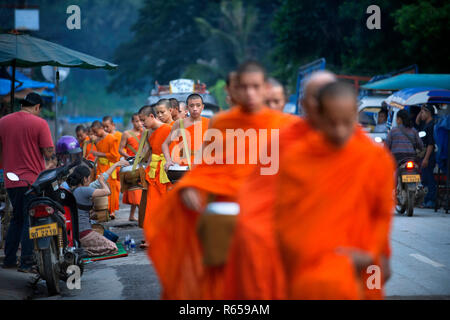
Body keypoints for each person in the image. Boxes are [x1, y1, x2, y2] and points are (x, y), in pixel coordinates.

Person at [143, 61, 296, 299]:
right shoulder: (222, 123)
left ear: (265, 88)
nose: (250, 93)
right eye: (243, 87)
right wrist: (191, 186)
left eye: (256, 87)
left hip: (269, 209)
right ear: (234, 91)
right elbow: (208, 165)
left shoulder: (286, 125)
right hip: (229, 208)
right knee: (228, 277)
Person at [223, 70, 338, 299]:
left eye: (277, 101)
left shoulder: (300, 131)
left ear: (285, 102)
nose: (273, 106)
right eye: (268, 101)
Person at [0, 92, 55, 272]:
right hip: (32, 181)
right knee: (29, 220)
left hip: (10, 180)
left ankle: (9, 259)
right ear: (38, 107)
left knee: (17, 218)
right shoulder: (40, 123)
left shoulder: (3, 122)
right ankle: (26, 262)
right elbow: (48, 152)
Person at [138, 105, 172, 248]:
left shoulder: (168, 129)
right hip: (153, 173)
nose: (142, 124)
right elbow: (151, 154)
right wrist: (145, 171)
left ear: (151, 117)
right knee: (151, 206)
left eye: (143, 120)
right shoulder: (150, 132)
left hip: (166, 171)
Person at [67, 165, 118, 256]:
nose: (90, 180)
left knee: (112, 237)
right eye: (89, 177)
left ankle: (83, 249)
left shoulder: (75, 190)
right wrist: (102, 181)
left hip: (78, 233)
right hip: (85, 233)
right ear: (85, 179)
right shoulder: (83, 190)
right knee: (113, 247)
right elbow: (107, 192)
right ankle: (84, 251)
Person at [162, 94, 210, 169]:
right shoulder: (179, 124)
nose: (195, 109)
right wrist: (168, 160)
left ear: (202, 107)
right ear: (187, 108)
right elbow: (165, 144)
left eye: (198, 105)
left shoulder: (210, 123)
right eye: (191, 106)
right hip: (184, 164)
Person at [90, 120, 121, 218]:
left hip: (109, 167)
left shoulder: (112, 138)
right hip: (100, 167)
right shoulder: (98, 140)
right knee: (99, 187)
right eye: (93, 132)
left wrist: (99, 154)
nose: (95, 134)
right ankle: (103, 211)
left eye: (96, 132)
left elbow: (115, 156)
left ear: (101, 128)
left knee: (110, 189)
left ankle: (112, 211)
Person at [118, 113, 144, 221]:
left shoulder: (145, 132)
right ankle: (142, 215)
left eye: (140, 121)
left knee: (140, 189)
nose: (139, 123)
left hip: (142, 163)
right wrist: (129, 157)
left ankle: (132, 216)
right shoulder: (127, 134)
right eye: (137, 121)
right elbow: (120, 149)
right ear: (132, 122)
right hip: (131, 164)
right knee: (135, 190)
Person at [415, 104, 437, 208]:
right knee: (425, 178)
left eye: (423, 112)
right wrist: (421, 110)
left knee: (429, 178)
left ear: (428, 113)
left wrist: (426, 159)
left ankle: (431, 200)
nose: (421, 115)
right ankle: (427, 200)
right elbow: (417, 122)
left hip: (429, 156)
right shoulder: (425, 124)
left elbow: (430, 144)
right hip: (424, 156)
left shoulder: (431, 126)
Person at [102, 116, 123, 217]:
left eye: (107, 126)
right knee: (106, 187)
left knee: (115, 189)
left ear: (113, 125)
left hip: (116, 166)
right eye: (104, 127)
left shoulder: (119, 135)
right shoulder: (103, 137)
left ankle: (112, 210)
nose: (105, 129)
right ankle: (106, 209)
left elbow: (123, 149)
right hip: (105, 165)